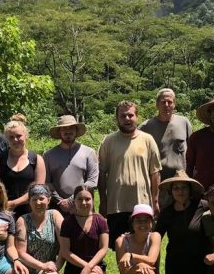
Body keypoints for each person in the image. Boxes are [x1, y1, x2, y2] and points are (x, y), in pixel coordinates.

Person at [98, 101, 161, 239]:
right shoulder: (108, 141)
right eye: (123, 116)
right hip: (116, 205)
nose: (127, 118)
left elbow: (155, 172)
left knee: (143, 242)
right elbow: (101, 173)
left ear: (137, 117)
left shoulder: (147, 140)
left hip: (142, 203)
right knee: (118, 244)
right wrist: (103, 201)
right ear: (117, 118)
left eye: (130, 115)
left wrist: (155, 200)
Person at [155, 170, 209, 274]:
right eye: (176, 188)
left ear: (190, 190)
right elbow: (156, 236)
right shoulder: (166, 212)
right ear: (171, 191)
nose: (180, 191)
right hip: (175, 262)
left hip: (198, 262)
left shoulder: (203, 206)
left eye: (184, 187)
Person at [59, 185, 110, 274]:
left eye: (87, 199)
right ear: (74, 201)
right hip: (73, 271)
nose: (83, 203)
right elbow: (65, 251)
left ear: (93, 200)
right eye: (79, 199)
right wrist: (85, 266)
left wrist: (90, 267)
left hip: (95, 267)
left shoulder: (100, 221)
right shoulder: (67, 222)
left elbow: (104, 248)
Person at [15, 184, 65, 274]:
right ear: (29, 201)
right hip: (26, 272)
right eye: (34, 199)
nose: (38, 203)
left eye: (41, 198)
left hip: (46, 271)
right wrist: (42, 266)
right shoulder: (22, 220)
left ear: (49, 199)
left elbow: (64, 246)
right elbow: (20, 253)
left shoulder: (55, 215)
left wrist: (56, 267)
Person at [139, 88, 193, 206]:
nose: (166, 105)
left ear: (174, 104)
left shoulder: (184, 123)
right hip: (158, 183)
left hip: (181, 181)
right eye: (163, 102)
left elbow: (192, 150)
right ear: (157, 105)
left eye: (170, 102)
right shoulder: (146, 127)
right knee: (160, 213)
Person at [0, 115, 46, 217]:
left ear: (26, 136)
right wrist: (5, 203)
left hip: (31, 213)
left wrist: (14, 203)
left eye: (19, 136)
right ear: (6, 139)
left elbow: (38, 190)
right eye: (11, 137)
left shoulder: (37, 159)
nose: (15, 140)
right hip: (4, 211)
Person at [42, 115, 99, 214]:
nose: (68, 131)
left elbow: (92, 181)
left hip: (83, 204)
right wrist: (60, 201)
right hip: (57, 207)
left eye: (71, 128)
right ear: (59, 131)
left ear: (76, 130)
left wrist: (72, 200)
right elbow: (47, 182)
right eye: (64, 128)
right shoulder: (48, 155)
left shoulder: (89, 152)